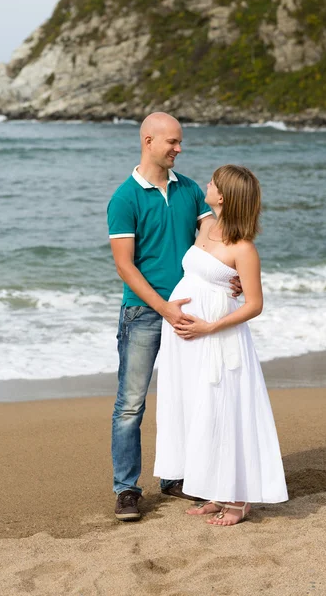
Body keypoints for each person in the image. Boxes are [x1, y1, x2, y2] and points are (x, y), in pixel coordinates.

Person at [107, 113, 242, 521]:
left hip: (192, 312)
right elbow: (126, 267)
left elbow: (217, 239)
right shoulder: (124, 198)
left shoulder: (189, 192)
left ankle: (178, 476)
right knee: (131, 405)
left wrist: (233, 275)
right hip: (145, 314)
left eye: (180, 142)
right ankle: (126, 489)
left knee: (189, 395)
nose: (179, 149)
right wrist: (163, 307)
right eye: (172, 142)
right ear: (149, 141)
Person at [154, 164, 288, 526]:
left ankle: (239, 499)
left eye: (213, 182)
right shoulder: (206, 225)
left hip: (218, 338)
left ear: (224, 197)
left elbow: (255, 304)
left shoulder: (244, 249)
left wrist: (210, 326)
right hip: (187, 338)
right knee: (199, 408)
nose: (207, 184)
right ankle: (215, 491)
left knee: (224, 409)